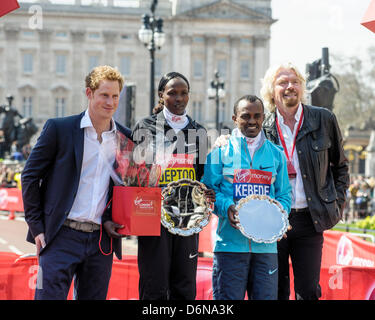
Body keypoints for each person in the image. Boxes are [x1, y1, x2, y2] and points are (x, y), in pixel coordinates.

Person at [21, 65, 131, 300]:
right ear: (89, 93)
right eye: (104, 95)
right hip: (59, 236)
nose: (110, 102)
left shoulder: (125, 138)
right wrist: (36, 227)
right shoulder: (59, 129)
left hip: (101, 240)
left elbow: (128, 187)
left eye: (115, 96)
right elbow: (30, 175)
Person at [260, 62, 350, 300]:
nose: (290, 86)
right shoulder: (262, 127)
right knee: (275, 290)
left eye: (295, 81)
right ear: (271, 91)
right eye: (283, 82)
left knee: (308, 292)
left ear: (302, 87)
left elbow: (340, 166)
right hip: (273, 221)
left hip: (310, 219)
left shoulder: (324, 119)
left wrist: (336, 204)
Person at [131, 71, 215, 300]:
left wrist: (207, 191)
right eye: (172, 93)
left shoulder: (199, 131)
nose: (179, 98)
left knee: (184, 285)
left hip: (187, 218)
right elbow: (134, 174)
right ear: (161, 95)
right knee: (154, 285)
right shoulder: (145, 126)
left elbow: (201, 176)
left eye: (184, 93)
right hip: (153, 218)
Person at [202, 95, 291, 300]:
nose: (252, 121)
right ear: (235, 118)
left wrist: (280, 217)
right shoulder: (219, 153)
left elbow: (285, 194)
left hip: (266, 250)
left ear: (263, 117)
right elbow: (209, 191)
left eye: (257, 116)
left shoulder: (276, 155)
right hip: (230, 247)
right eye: (245, 116)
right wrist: (227, 207)